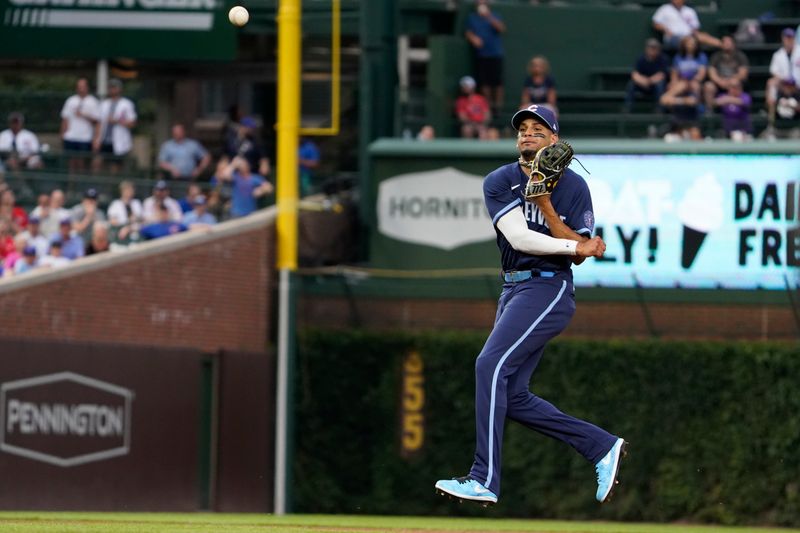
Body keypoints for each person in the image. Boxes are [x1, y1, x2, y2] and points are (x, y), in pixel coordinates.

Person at [434, 104, 624, 506]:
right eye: (523, 129)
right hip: (513, 289)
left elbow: (575, 253)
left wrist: (547, 204)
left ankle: (483, 478)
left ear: (555, 140)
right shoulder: (499, 181)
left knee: (488, 365)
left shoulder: (573, 186)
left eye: (539, 129)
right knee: (513, 396)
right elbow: (522, 240)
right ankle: (600, 445)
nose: (528, 134)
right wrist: (576, 244)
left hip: (548, 288)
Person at [465, 0, 506, 114]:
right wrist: (473, 38)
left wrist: (489, 17)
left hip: (496, 54)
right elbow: (468, 32)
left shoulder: (495, 16)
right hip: (482, 55)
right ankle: (487, 107)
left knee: (497, 83)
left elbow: (501, 29)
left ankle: (498, 108)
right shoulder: (472, 18)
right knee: (484, 83)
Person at [93, 78, 137, 174]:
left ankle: (112, 187)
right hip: (104, 140)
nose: (112, 90)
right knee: (97, 163)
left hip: (119, 141)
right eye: (111, 88)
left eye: (114, 88)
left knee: (115, 166)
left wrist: (117, 121)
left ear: (119, 89)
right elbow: (99, 123)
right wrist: (96, 139)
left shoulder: (127, 104)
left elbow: (132, 123)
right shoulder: (104, 104)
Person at [60, 77, 101, 174]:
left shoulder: (93, 102)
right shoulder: (70, 101)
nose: (81, 88)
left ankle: (81, 184)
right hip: (71, 137)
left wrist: (96, 139)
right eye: (79, 86)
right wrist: (62, 134)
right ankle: (71, 185)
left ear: (87, 87)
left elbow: (97, 121)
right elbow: (65, 119)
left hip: (85, 138)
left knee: (82, 162)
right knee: (71, 162)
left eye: (83, 86)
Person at [703, 35, 749, 115]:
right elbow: (711, 72)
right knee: (708, 86)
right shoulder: (716, 56)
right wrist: (720, 81)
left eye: (728, 42)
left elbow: (743, 73)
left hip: (733, 83)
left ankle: (735, 109)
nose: (726, 44)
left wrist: (730, 80)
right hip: (719, 83)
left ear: (733, 44)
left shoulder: (740, 56)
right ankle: (709, 111)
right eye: (724, 42)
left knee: (735, 82)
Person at [651, 0, 721, 50]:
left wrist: (694, 33)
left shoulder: (689, 11)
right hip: (672, 38)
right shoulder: (664, 9)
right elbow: (655, 24)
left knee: (702, 36)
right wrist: (665, 29)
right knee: (690, 40)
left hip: (690, 37)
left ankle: (723, 45)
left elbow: (695, 28)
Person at [766, 28, 800, 129]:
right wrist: (784, 81)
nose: (789, 40)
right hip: (784, 84)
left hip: (798, 84)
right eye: (787, 38)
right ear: (783, 39)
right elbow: (774, 72)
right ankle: (771, 120)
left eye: (791, 38)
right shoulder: (777, 55)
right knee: (770, 83)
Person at [624, 39, 670, 113]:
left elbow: (662, 75)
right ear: (646, 48)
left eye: (655, 48)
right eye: (650, 47)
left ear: (658, 49)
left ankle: (660, 109)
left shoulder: (663, 59)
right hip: (643, 84)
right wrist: (643, 81)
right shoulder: (641, 58)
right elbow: (635, 74)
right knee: (631, 84)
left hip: (655, 84)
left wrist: (649, 81)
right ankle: (627, 107)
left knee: (660, 84)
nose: (652, 50)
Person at [455, 75, 492, 139]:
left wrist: (482, 124)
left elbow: (487, 114)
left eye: (467, 86)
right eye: (464, 86)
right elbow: (462, 117)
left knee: (483, 132)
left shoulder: (481, 99)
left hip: (481, 124)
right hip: (469, 125)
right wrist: (473, 124)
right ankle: (467, 149)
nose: (465, 88)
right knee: (466, 129)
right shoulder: (460, 101)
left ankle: (482, 149)